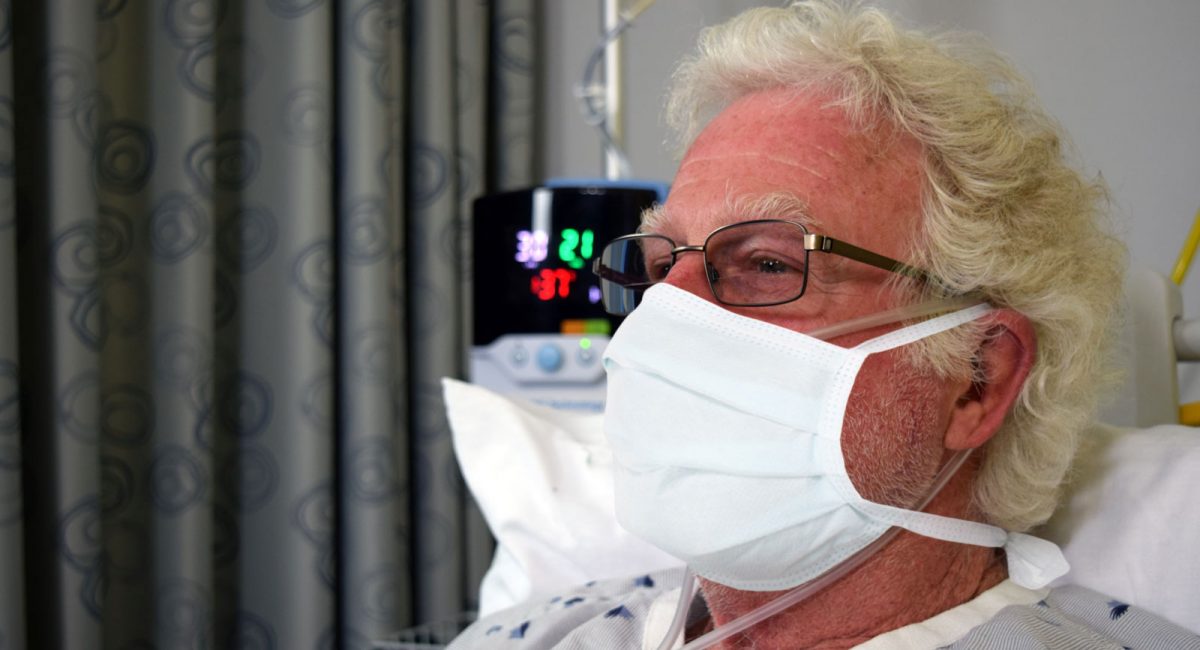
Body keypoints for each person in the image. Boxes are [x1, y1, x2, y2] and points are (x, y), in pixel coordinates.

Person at [448, 2, 1200, 648]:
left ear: (978, 378)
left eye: (769, 264)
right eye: (656, 266)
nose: (664, 316)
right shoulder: (543, 632)